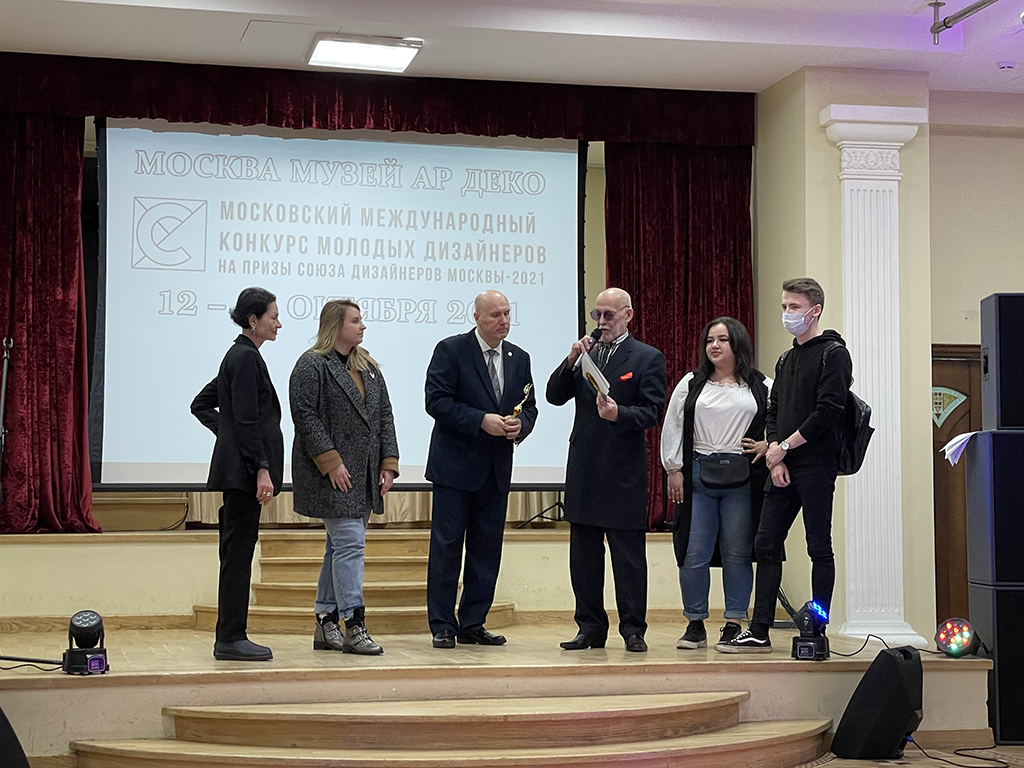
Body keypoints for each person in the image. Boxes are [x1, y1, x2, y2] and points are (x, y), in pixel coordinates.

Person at [717, 278, 852, 653]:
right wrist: (775, 451)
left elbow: (828, 410)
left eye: (794, 307)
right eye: (784, 307)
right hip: (783, 466)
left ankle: (817, 628)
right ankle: (759, 630)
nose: (787, 314)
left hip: (816, 465)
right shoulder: (785, 359)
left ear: (815, 311)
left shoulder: (833, 354)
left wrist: (785, 447)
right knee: (766, 544)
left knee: (818, 546)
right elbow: (773, 411)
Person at [546, 287, 667, 652]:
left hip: (622, 472)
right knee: (584, 558)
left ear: (628, 315)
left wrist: (619, 414)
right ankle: (590, 628)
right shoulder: (587, 354)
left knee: (628, 559)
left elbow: (653, 411)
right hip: (585, 467)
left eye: (608, 315)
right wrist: (571, 359)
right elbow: (554, 395)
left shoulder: (646, 357)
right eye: (596, 315)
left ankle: (633, 629)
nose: (601, 322)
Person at [424, 290, 538, 649]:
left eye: (507, 314)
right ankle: (443, 625)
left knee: (486, 550)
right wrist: (480, 420)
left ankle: (473, 623)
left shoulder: (519, 357)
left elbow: (529, 406)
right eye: (495, 315)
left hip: (496, 469)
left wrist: (522, 426)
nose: (503, 321)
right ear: (476, 317)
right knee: (447, 550)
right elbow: (436, 401)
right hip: (454, 469)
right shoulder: (451, 350)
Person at [289, 299, 399, 656]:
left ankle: (325, 621)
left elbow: (384, 415)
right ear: (336, 326)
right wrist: (331, 462)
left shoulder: (368, 366)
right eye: (355, 321)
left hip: (363, 474)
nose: (362, 326)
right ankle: (354, 624)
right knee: (351, 544)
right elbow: (305, 416)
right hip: (329, 475)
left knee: (339, 547)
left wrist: (388, 462)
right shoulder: (311, 365)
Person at [660, 317, 771, 651]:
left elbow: (782, 420)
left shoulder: (762, 385)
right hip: (697, 475)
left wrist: (769, 444)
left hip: (742, 477)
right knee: (693, 552)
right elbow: (673, 425)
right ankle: (695, 623)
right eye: (710, 340)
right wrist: (673, 468)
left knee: (738, 553)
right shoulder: (691, 383)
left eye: (722, 339)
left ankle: (734, 623)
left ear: (738, 343)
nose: (714, 346)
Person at [191, 287, 284, 662]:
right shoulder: (245, 358)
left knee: (236, 553)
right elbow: (246, 419)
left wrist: (227, 436)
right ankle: (231, 637)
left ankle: (231, 635)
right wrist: (260, 466)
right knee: (238, 555)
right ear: (253, 320)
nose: (278, 323)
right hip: (244, 475)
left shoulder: (241, 355)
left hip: (239, 470)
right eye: (273, 316)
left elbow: (202, 404)